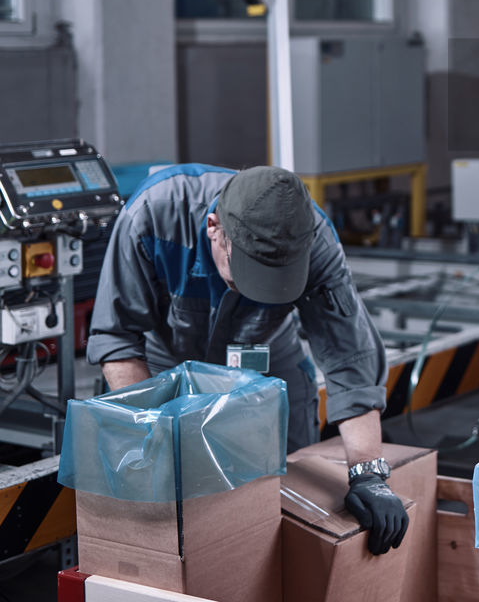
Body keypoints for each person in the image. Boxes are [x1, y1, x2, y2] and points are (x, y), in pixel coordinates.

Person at [88, 164, 408, 555]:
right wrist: (154, 435)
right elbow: (118, 337)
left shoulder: (316, 239)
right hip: (166, 362)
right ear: (214, 229)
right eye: (245, 277)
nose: (255, 290)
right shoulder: (154, 215)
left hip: (268, 353)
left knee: (290, 484)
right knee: (167, 491)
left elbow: (349, 357)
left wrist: (368, 472)